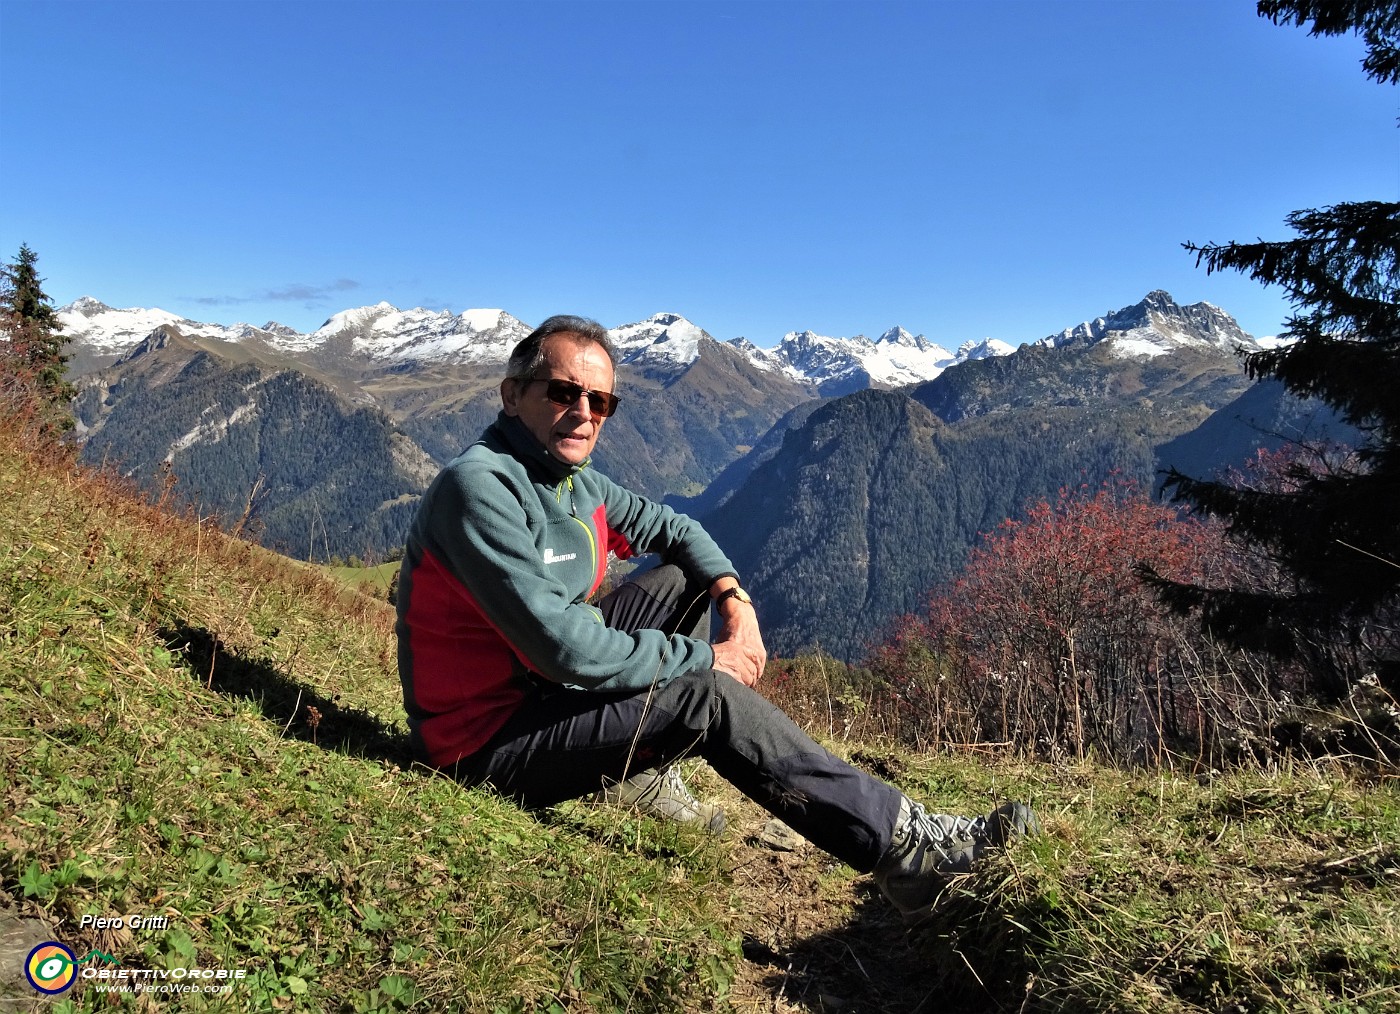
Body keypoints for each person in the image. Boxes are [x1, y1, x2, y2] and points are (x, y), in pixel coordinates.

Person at [395, 314, 1036, 920]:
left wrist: (734, 599)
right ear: (513, 395)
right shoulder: (481, 487)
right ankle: (911, 852)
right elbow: (566, 651)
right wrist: (709, 658)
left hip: (543, 691)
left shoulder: (572, 479)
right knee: (707, 697)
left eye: (602, 402)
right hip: (482, 741)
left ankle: (635, 773)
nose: (584, 413)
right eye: (564, 392)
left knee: (682, 574)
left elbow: (676, 528)